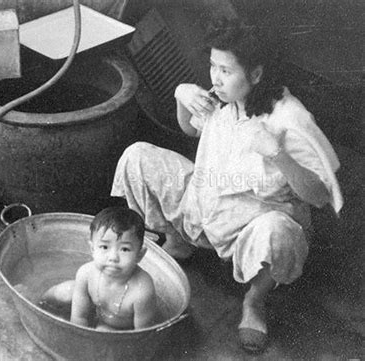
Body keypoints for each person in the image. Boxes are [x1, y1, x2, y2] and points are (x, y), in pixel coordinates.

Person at [111, 19, 342, 353]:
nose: (215, 78)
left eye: (225, 70)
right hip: (203, 205)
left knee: (279, 232)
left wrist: (277, 154)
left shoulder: (289, 118)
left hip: (250, 226)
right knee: (138, 156)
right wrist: (181, 95)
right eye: (212, 67)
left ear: (257, 74)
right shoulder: (222, 98)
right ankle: (178, 241)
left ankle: (254, 301)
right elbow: (190, 130)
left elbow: (320, 196)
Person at [39, 206, 158, 331]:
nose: (113, 258)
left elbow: (143, 335)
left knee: (103, 331)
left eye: (125, 249)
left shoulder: (142, 291)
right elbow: (79, 317)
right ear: (92, 249)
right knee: (66, 290)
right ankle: (39, 303)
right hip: (95, 309)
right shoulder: (86, 273)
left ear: (140, 255)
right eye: (104, 247)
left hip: (114, 326)